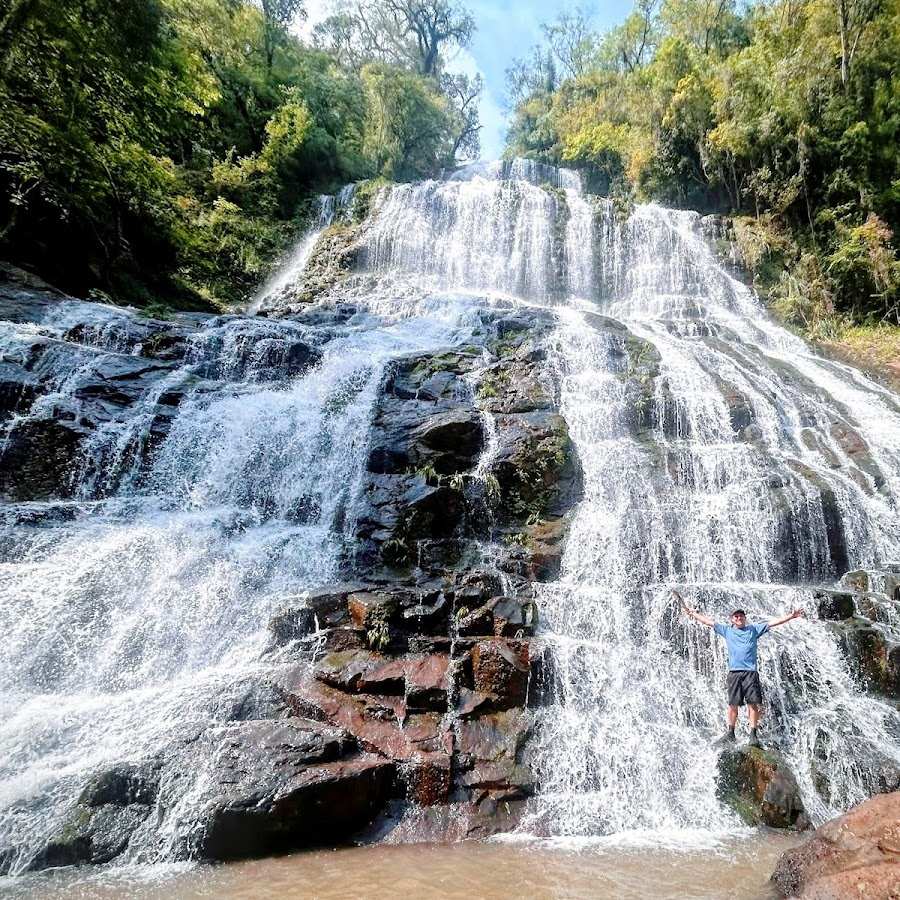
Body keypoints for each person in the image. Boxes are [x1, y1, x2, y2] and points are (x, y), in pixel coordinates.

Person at [671, 589, 805, 747]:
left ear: (745, 618)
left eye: (741, 616)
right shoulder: (726, 630)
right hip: (734, 673)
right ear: (732, 620)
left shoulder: (754, 630)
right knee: (732, 704)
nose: (739, 618)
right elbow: (708, 621)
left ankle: (753, 734)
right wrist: (690, 613)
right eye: (736, 616)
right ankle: (730, 733)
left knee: (753, 704)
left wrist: (791, 616)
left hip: (750, 673)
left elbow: (774, 623)